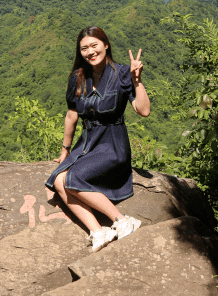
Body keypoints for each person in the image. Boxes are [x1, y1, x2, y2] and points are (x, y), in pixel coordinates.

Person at [45, 26, 151, 252]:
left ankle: (122, 220)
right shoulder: (78, 78)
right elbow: (72, 115)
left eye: (94, 45)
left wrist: (137, 80)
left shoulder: (122, 73)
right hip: (87, 142)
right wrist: (65, 150)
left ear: (106, 45)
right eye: (84, 48)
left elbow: (143, 111)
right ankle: (98, 231)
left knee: (72, 178)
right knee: (58, 180)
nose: (90, 52)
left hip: (112, 143)